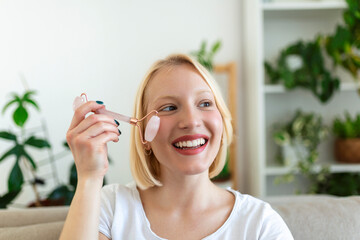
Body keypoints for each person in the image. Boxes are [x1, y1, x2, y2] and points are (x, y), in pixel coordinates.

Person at [60, 54, 294, 240]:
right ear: (143, 134)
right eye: (169, 108)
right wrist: (89, 177)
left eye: (204, 103)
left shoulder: (260, 224)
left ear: (221, 123)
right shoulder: (111, 207)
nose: (191, 121)